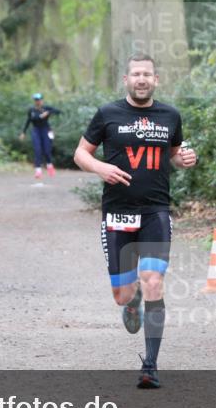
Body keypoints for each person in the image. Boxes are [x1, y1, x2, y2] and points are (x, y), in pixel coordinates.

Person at [74, 54, 197, 388]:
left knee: (153, 280)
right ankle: (132, 302)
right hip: (117, 212)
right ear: (125, 80)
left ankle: (150, 366)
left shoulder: (170, 115)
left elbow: (175, 151)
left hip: (156, 210)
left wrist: (185, 157)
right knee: (122, 296)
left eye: (147, 74)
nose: (141, 79)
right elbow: (80, 153)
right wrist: (100, 167)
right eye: (135, 74)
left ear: (156, 80)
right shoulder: (108, 114)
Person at [20, 93, 61, 179]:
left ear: (42, 100)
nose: (38, 101)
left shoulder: (46, 108)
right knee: (37, 150)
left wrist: (48, 112)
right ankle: (38, 171)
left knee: (47, 149)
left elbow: (58, 111)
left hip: (46, 130)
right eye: (36, 100)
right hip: (36, 131)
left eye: (39, 100)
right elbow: (31, 120)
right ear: (34, 101)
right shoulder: (32, 110)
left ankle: (50, 166)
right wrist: (23, 132)